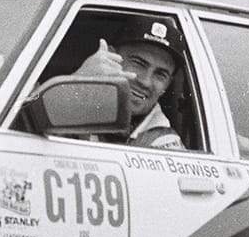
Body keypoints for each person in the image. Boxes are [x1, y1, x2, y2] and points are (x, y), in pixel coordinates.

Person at [71, 19, 184, 150]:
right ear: (109, 57)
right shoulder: (75, 104)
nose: (146, 82)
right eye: (138, 64)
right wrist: (77, 83)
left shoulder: (165, 142)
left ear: (167, 85)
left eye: (160, 74)